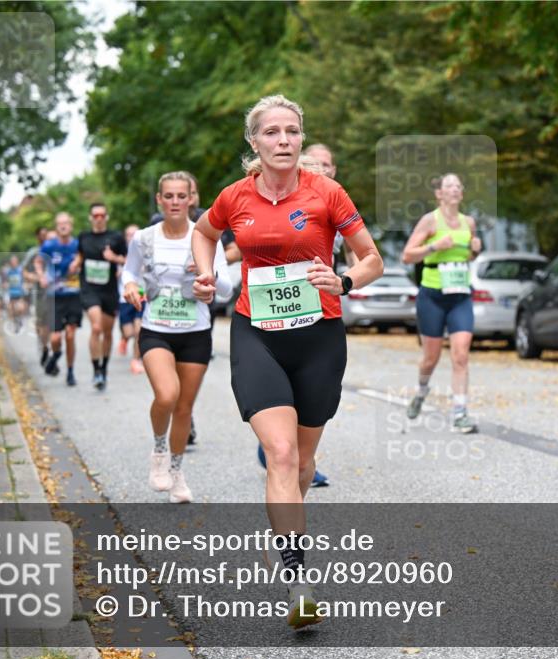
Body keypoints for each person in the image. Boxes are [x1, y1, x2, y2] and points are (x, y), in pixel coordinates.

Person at [191, 94, 383, 629]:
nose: (283, 141)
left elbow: (372, 259)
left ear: (301, 138)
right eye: (271, 132)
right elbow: (204, 232)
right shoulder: (235, 197)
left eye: (292, 132)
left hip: (319, 335)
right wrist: (208, 276)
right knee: (277, 454)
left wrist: (342, 281)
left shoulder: (327, 192)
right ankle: (298, 578)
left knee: (301, 464)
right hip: (258, 335)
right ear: (253, 141)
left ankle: (285, 533)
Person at [122, 172, 232, 504]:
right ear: (159, 200)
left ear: (191, 199)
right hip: (156, 328)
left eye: (180, 196)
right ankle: (158, 449)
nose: (174, 202)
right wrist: (128, 286)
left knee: (184, 409)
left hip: (196, 332)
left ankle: (176, 471)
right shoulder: (143, 238)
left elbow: (226, 289)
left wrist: (207, 277)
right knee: (167, 395)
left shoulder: (206, 239)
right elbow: (129, 271)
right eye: (168, 196)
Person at [254, 142, 347, 486]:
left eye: (327, 165)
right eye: (314, 164)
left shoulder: (336, 200)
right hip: (271, 309)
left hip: (320, 308)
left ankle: (297, 457)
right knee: (279, 392)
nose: (321, 169)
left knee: (309, 396)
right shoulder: (285, 199)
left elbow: (361, 251)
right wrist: (213, 267)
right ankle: (279, 447)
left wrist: (346, 279)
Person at [401, 173, 482, 434]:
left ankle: (460, 412)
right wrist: (434, 246)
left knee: (461, 355)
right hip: (433, 296)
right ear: (440, 194)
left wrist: (476, 250)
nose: (455, 189)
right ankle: (422, 391)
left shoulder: (469, 222)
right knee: (430, 359)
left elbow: (468, 254)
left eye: (459, 185)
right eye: (450, 185)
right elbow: (407, 255)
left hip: (460, 296)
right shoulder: (430, 221)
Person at [78, 203, 128, 390]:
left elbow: (129, 259)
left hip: (109, 291)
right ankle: (96, 370)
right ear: (90, 217)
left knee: (107, 333)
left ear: (106, 217)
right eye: (95, 215)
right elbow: (79, 256)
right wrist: (74, 265)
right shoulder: (83, 236)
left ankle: (104, 369)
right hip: (89, 289)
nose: (98, 218)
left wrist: (114, 259)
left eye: (102, 215)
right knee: (96, 328)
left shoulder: (115, 237)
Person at [37, 212, 82, 386]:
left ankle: (70, 372)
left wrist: (77, 263)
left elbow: (83, 255)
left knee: (70, 335)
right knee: (55, 338)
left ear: (71, 226)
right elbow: (38, 262)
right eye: (60, 223)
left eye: (66, 223)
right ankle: (56, 354)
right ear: (56, 227)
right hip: (54, 296)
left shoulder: (77, 245)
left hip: (73, 295)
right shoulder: (49, 246)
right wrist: (41, 276)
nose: (63, 226)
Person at [117, 224, 145, 374]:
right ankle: (124, 339)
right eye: (129, 234)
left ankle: (136, 359)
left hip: (142, 296)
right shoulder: (120, 252)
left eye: (135, 234)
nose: (132, 237)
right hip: (124, 298)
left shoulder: (146, 250)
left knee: (138, 330)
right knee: (129, 332)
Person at [23, 226, 52, 366]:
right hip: (39, 293)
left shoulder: (54, 249)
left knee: (50, 323)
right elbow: (23, 271)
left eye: (46, 235)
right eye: (42, 235)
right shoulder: (33, 253)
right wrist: (35, 277)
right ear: (37, 237)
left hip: (54, 293)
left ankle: (47, 345)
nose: (44, 237)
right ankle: (43, 345)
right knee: (41, 322)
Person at [3, 254, 27, 332]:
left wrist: (25, 285)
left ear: (17, 262)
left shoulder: (20, 270)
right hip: (11, 293)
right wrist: (5, 284)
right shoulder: (8, 271)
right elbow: (6, 281)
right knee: (11, 310)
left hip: (19, 293)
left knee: (20, 308)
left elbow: (25, 278)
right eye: (12, 262)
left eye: (14, 262)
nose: (13, 263)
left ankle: (20, 319)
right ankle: (16, 323)